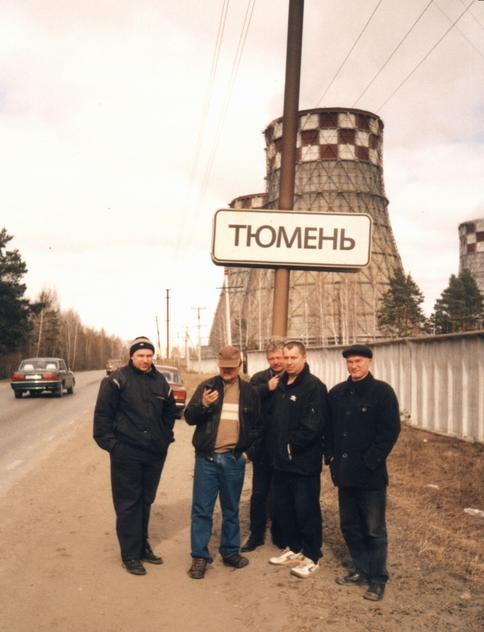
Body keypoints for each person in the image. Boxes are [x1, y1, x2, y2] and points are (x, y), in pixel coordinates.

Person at [93, 336, 177, 576]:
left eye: (149, 356)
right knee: (128, 504)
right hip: (126, 453)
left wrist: (165, 438)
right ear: (132, 356)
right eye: (141, 355)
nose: (145, 360)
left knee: (145, 500)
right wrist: (114, 446)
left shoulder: (161, 381)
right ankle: (129, 555)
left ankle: (142, 547)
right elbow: (102, 419)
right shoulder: (116, 380)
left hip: (154, 454)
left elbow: (170, 412)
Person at [327, 344, 400, 601]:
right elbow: (329, 430)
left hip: (370, 475)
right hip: (344, 474)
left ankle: (377, 578)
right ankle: (360, 570)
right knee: (350, 526)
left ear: (369, 362)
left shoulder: (382, 392)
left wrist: (371, 460)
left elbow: (390, 431)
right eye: (350, 362)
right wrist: (331, 459)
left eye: (358, 361)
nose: (354, 366)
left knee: (373, 529)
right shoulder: (337, 393)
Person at [185, 345, 262, 580]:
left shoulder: (250, 392)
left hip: (233, 459)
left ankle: (229, 552)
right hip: (207, 459)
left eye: (231, 367)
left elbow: (259, 428)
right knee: (202, 510)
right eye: (223, 367)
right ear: (218, 366)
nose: (227, 371)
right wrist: (204, 404)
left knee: (231, 509)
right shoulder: (207, 387)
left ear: (239, 366)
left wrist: (248, 454)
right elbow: (189, 417)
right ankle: (200, 557)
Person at [268, 340, 329, 578]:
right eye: (286, 357)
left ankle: (312, 556)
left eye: (294, 358)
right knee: (284, 508)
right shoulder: (281, 384)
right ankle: (294, 547)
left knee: (306, 510)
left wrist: (291, 446)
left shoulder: (314, 387)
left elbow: (313, 427)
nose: (289, 362)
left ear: (304, 357)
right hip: (281, 462)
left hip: (303, 463)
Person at [242, 339, 285, 552]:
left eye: (279, 357)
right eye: (272, 358)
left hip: (285, 447)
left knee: (281, 493)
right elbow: (247, 401)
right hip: (262, 446)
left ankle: (280, 534)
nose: (276, 362)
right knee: (259, 492)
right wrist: (266, 389)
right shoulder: (260, 378)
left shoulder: (294, 378)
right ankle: (256, 535)